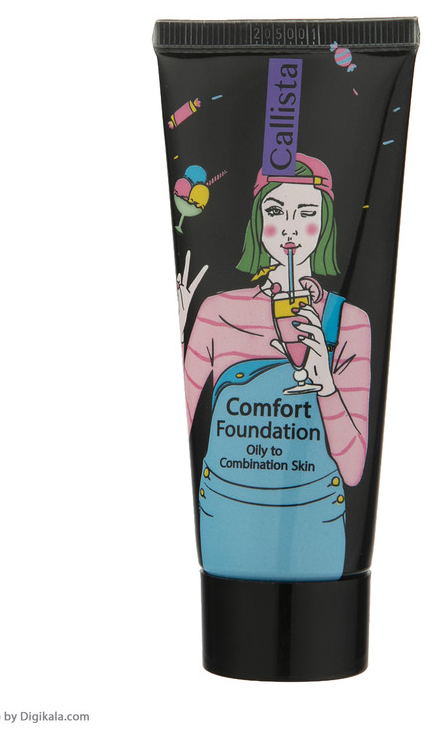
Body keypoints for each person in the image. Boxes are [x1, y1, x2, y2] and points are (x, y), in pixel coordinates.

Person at [177, 154, 371, 581]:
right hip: (226, 527)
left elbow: (354, 469)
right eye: (276, 211)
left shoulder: (348, 322)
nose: (290, 229)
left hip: (319, 537)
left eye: (307, 213)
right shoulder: (217, 312)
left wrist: (325, 385)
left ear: (325, 223)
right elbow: (183, 429)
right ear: (257, 221)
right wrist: (182, 333)